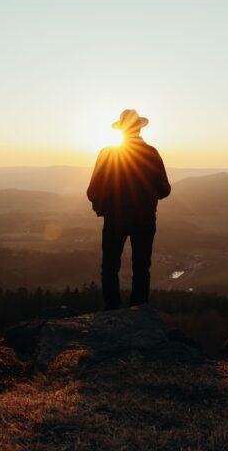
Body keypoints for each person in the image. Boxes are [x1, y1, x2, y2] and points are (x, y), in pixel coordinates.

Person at [86, 109, 171, 310]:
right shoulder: (151, 154)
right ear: (140, 128)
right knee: (142, 267)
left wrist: (104, 208)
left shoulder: (107, 154)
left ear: (121, 130)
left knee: (110, 266)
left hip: (115, 219)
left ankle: (112, 310)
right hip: (145, 220)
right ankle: (139, 310)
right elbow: (165, 189)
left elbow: (92, 191)